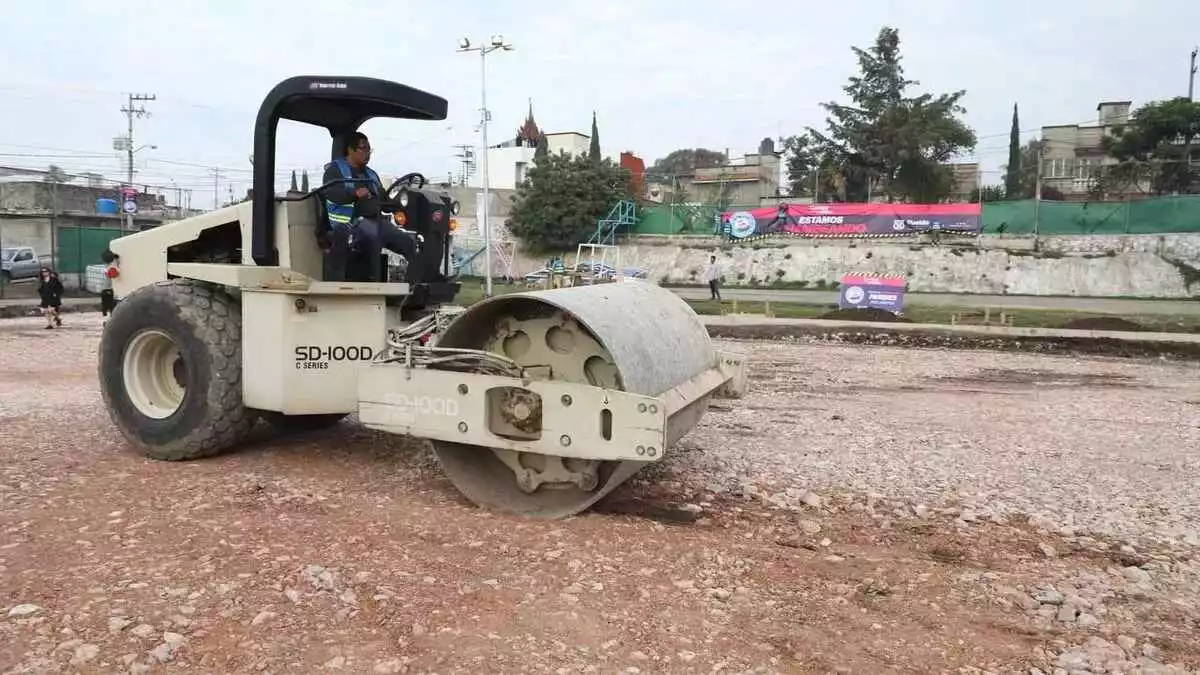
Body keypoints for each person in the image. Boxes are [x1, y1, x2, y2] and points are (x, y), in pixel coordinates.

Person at [321, 132, 417, 282]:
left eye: (369, 150)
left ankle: (412, 286)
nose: (367, 153)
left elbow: (384, 202)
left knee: (408, 242)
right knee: (373, 234)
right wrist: (354, 193)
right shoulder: (334, 171)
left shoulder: (371, 175)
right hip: (348, 224)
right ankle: (372, 283)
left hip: (375, 221)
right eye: (363, 149)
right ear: (351, 150)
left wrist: (398, 203)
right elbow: (331, 193)